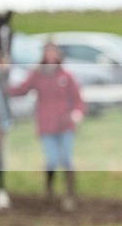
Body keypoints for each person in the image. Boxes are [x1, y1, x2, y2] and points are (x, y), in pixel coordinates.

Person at [9, 40, 86, 211]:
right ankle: (49, 193)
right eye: (48, 53)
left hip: (65, 126)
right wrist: (1, 87)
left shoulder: (66, 76)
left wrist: (77, 113)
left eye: (54, 52)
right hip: (46, 127)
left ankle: (70, 195)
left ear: (58, 55)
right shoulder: (37, 75)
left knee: (66, 159)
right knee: (51, 160)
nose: (51, 56)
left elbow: (78, 100)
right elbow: (21, 89)